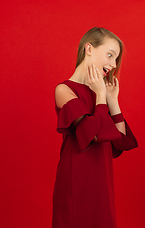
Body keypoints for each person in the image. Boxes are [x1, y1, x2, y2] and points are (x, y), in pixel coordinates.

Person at [52, 27, 138, 228]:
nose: (113, 64)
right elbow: (96, 135)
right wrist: (100, 95)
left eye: (115, 58)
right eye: (110, 55)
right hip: (77, 180)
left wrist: (112, 100)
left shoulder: (99, 94)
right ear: (89, 48)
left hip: (101, 181)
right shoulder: (64, 90)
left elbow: (120, 140)